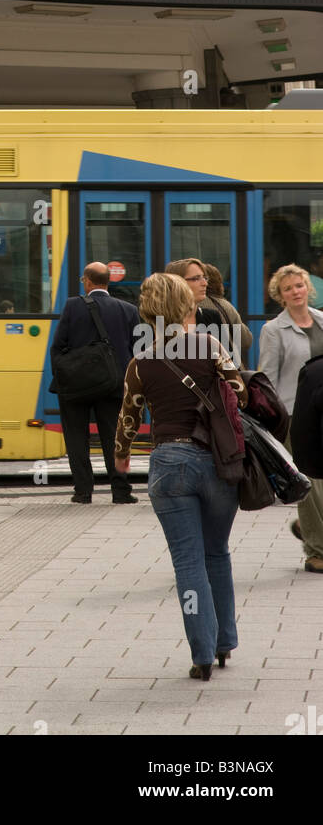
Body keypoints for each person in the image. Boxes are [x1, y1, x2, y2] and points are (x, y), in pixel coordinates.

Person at [115, 272, 247, 680]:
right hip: (216, 461)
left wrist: (121, 457)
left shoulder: (141, 361)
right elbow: (239, 392)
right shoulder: (209, 346)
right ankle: (225, 641)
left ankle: (201, 654)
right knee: (217, 553)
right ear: (186, 305)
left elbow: (128, 416)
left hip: (168, 464)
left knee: (187, 562)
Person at [50, 261, 139, 505]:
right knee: (115, 437)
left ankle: (83, 491)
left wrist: (64, 375)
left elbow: (58, 345)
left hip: (77, 384)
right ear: (107, 281)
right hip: (113, 383)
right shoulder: (128, 310)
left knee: (77, 438)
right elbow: (135, 351)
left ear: (88, 282)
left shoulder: (72, 306)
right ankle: (120, 491)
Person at [259, 264, 323, 573]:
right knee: (310, 484)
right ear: (280, 296)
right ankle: (316, 550)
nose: (295, 291)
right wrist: (271, 419)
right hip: (297, 414)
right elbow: (267, 378)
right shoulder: (273, 330)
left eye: (299, 285)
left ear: (307, 287)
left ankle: (310, 526)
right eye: (288, 289)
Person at [291, 349, 323, 575]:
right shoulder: (315, 372)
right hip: (315, 454)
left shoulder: (314, 371)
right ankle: (317, 548)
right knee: (312, 492)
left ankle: (311, 528)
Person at [202, 263, 252, 363]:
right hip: (227, 368)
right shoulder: (226, 306)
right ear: (218, 283)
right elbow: (246, 341)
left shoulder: (190, 306)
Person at [165, 258, 225, 332]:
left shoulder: (212, 317)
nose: (205, 284)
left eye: (205, 278)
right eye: (196, 279)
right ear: (177, 283)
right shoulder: (160, 321)